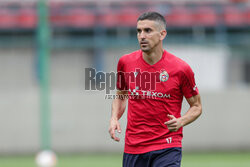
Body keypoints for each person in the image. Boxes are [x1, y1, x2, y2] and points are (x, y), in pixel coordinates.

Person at [108, 11, 202, 167]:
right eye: (139, 31)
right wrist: (114, 118)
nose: (142, 36)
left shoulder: (181, 69)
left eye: (148, 31)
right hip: (134, 147)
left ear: (162, 34)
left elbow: (197, 106)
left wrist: (181, 121)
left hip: (167, 146)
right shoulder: (125, 62)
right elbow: (121, 95)